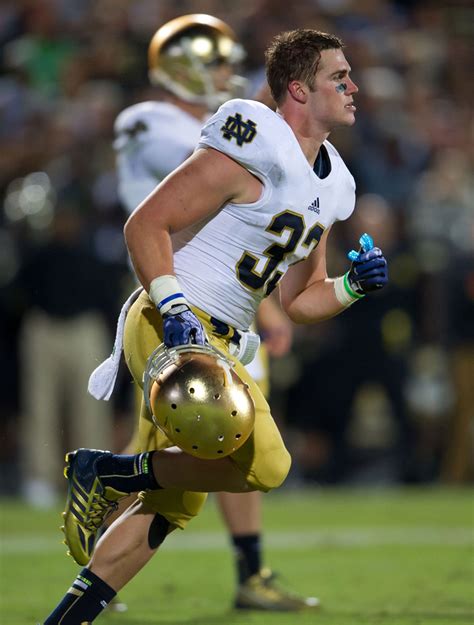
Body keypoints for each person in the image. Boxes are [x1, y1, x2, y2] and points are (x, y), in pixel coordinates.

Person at [42, 27, 388, 624]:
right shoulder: (252, 139)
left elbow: (302, 298)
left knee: (174, 504)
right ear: (298, 91)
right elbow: (144, 227)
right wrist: (174, 307)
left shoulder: (335, 184)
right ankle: (106, 469)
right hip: (174, 316)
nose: (355, 87)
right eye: (339, 77)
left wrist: (353, 287)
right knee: (269, 464)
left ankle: (69, 605)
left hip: (225, 336)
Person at [107, 14, 305, 612]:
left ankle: (251, 571)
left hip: (234, 297)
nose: (228, 74)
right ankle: (98, 550)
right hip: (173, 294)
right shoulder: (149, 120)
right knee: (158, 454)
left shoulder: (228, 128)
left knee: (232, 436)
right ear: (185, 66)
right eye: (218, 63)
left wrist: (267, 304)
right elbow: (221, 175)